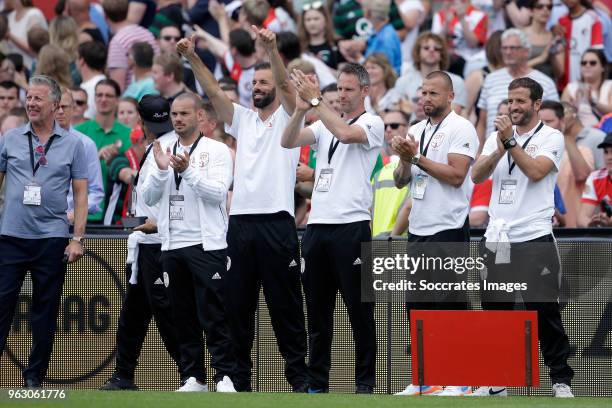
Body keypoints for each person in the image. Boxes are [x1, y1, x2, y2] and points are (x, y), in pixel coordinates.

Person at [177, 29, 308, 393]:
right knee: (237, 308)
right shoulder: (243, 120)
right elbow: (215, 93)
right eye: (254, 82)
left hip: (277, 222)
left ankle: (299, 382)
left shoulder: (287, 116)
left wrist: (271, 50)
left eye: (263, 81)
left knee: (286, 309)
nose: (257, 87)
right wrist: (193, 57)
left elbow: (286, 87)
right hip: (240, 225)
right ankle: (236, 381)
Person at [282, 63, 383, 394]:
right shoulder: (324, 122)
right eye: (339, 88)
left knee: (359, 312)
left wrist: (315, 103)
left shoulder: (373, 122)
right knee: (318, 313)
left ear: (365, 92)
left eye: (349, 89)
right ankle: (317, 384)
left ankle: (365, 384)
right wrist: (299, 110)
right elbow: (288, 140)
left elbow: (346, 133)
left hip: (351, 226)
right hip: (317, 227)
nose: (342, 94)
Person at [471, 77, 574, 398]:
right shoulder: (498, 137)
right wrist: (501, 145)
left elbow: (536, 171)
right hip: (498, 237)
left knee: (545, 313)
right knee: (496, 313)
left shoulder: (552, 137)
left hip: (534, 236)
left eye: (520, 101)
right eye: (510, 101)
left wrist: (510, 143)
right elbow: (476, 175)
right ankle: (498, 379)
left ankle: (560, 380)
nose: (513, 107)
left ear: (536, 105)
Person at [142, 92, 236, 392]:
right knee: (182, 316)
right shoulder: (160, 149)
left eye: (184, 113)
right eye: (174, 114)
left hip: (206, 244)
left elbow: (217, 193)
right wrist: (159, 170)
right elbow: (148, 198)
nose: (178, 119)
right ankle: (193, 377)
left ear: (199, 116)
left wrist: (188, 171)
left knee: (214, 313)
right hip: (171, 244)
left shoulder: (217, 150)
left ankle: (224, 375)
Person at [392, 71, 478, 397]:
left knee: (450, 306)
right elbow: (403, 181)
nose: (426, 99)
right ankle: (425, 377)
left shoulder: (461, 127)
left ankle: (462, 377)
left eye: (433, 93)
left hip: (449, 227)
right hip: (419, 228)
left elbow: (457, 175)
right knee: (417, 308)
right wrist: (404, 160)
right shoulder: (415, 130)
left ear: (450, 96)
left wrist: (414, 157)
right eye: (423, 93)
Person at [0, 75, 88, 389]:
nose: (31, 104)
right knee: (2, 306)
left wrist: (77, 238)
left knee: (45, 311)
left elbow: (80, 194)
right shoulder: (10, 137)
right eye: (29, 98)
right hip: (10, 235)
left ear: (54, 105)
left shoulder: (73, 144)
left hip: (51, 237)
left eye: (38, 99)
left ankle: (34, 377)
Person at [100, 94, 181, 390]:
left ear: (139, 120)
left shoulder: (168, 147)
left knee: (166, 314)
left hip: (161, 241)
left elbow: (154, 196)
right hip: (144, 241)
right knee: (133, 314)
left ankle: (191, 374)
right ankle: (124, 374)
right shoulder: (157, 146)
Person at [476, 28, 558, 146]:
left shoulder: (545, 82)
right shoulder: (490, 79)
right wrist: (479, 153)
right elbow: (482, 122)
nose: (508, 52)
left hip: (531, 150)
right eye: (504, 48)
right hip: (493, 150)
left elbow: (554, 120)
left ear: (526, 51)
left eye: (513, 48)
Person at [75, 78, 132, 223]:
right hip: (82, 210)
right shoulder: (78, 132)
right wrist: (96, 156)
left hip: (115, 213)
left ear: (117, 100)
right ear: (94, 98)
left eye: (109, 95)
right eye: (99, 95)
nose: (103, 99)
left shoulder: (129, 134)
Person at [539, 100, 594, 227]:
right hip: (541, 228)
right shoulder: (530, 153)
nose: (543, 126)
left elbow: (582, 175)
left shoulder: (582, 151)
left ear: (562, 121)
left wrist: (566, 134)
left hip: (573, 230)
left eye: (549, 121)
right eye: (540, 122)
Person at [55, 87, 105, 222]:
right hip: (39, 223)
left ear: (72, 109)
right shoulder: (36, 142)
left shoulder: (86, 144)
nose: (60, 111)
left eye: (64, 107)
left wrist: (74, 214)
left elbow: (96, 192)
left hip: (72, 223)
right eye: (56, 106)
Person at [393, 32, 468, 116]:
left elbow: (454, 114)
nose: (431, 50)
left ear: (442, 54)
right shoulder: (403, 82)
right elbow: (397, 113)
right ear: (417, 52)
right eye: (426, 48)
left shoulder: (456, 82)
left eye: (436, 48)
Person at [103, 0, 159, 92]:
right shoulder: (147, 33)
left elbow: (117, 88)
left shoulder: (117, 42)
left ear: (105, 16)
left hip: (134, 101)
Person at [372, 109, 411, 237]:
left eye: (394, 126)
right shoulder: (376, 165)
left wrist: (392, 238)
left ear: (408, 128)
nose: (388, 130)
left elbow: (410, 206)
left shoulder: (417, 163)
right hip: (377, 241)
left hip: (402, 240)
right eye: (385, 126)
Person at [431, 0, 488, 77]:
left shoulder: (479, 15)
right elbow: (435, 43)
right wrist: (446, 23)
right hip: (447, 60)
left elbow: (473, 43)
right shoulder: (439, 15)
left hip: (470, 60)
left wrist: (462, 19)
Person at [557, 0, 603, 87]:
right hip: (565, 84)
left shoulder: (592, 18)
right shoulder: (561, 20)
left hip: (587, 84)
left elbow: (597, 53)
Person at [561, 49, 611, 128]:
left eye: (592, 63)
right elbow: (562, 115)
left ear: (603, 67)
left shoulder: (609, 85)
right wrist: (574, 107)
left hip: (605, 134)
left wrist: (593, 102)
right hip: (578, 133)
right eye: (583, 63)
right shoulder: (570, 88)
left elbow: (610, 111)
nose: (587, 65)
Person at [522, 0, 565, 80]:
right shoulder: (519, 35)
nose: (545, 10)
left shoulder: (556, 37)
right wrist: (541, 58)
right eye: (540, 6)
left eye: (549, 7)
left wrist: (552, 56)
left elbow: (559, 74)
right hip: (524, 87)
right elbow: (514, 69)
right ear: (531, 11)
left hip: (548, 88)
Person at [578, 132, 612, 228]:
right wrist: (592, 225)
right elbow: (582, 218)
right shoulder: (595, 178)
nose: (609, 157)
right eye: (606, 152)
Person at [297, 1, 340, 69]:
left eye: (316, 19)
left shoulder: (337, 44)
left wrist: (320, 67)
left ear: (325, 20)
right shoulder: (298, 47)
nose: (312, 23)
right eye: (308, 20)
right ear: (303, 23)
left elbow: (343, 75)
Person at [76, 41, 107, 120]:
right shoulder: (104, 82)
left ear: (82, 61)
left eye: (76, 58)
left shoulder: (92, 87)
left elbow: (85, 118)